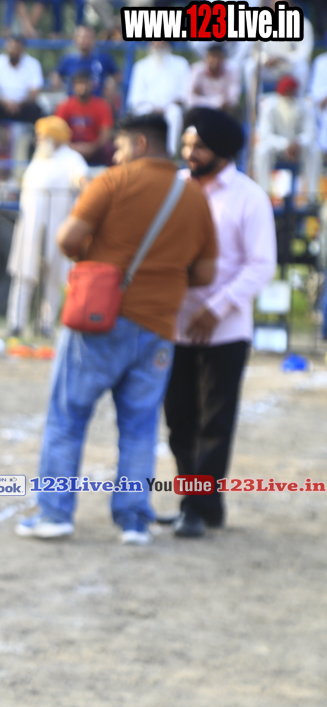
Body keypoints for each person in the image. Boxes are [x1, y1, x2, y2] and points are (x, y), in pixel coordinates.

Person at [16, 114, 217, 546]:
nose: (117, 156)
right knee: (140, 427)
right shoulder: (194, 196)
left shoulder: (112, 181)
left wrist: (100, 257)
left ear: (140, 144)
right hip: (159, 325)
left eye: (121, 148)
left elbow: (68, 239)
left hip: (99, 319)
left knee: (68, 417)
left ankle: (55, 514)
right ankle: (134, 520)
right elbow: (204, 273)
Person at [164, 108, 276, 539]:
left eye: (199, 146)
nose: (189, 153)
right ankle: (199, 503)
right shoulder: (174, 187)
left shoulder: (248, 196)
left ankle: (196, 506)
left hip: (225, 331)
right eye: (186, 144)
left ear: (222, 151)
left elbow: (261, 264)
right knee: (178, 419)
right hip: (174, 325)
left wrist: (216, 308)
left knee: (214, 422)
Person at [5, 116, 89, 338]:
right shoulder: (40, 158)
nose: (39, 140)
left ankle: (46, 324)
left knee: (53, 275)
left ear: (55, 138)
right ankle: (16, 322)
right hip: (30, 226)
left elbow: (83, 182)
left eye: (42, 136)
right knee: (24, 272)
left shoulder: (72, 159)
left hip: (57, 226)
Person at [254, 75, 320, 202]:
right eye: (287, 91)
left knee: (315, 150)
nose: (289, 95)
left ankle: (312, 196)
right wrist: (285, 144)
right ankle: (264, 195)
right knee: (262, 151)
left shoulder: (305, 105)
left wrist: (298, 142)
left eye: (292, 91)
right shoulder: (269, 106)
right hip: (277, 149)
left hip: (299, 149)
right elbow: (266, 135)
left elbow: (311, 133)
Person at [0, 36, 43, 155]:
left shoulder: (33, 64)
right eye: (11, 47)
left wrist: (18, 104)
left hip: (23, 107)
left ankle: (35, 150)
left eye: (16, 48)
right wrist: (5, 102)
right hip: (1, 106)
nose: (13, 51)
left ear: (22, 49)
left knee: (38, 112)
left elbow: (34, 94)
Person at [126, 43, 191, 156]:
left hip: (171, 107)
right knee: (143, 113)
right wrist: (153, 107)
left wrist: (172, 103)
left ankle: (169, 154)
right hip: (147, 107)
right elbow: (135, 97)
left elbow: (185, 93)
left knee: (174, 113)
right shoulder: (141, 66)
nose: (159, 44)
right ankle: (143, 152)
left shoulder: (181, 63)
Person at [54, 70, 115, 166]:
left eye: (85, 83)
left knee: (110, 149)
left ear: (91, 85)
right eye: (79, 83)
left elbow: (106, 135)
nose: (82, 87)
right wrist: (71, 147)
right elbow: (57, 131)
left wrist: (91, 147)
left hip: (95, 148)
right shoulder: (64, 105)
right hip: (70, 147)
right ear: (73, 86)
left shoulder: (102, 106)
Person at [53, 25, 118, 100]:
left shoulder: (103, 58)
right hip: (74, 103)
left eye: (88, 37)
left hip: (97, 102)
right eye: (82, 37)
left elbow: (117, 75)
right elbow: (56, 75)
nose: (85, 40)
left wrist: (111, 82)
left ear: (94, 39)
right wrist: (57, 82)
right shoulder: (68, 60)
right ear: (75, 39)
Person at [186, 43, 241, 113]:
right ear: (206, 58)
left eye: (218, 56)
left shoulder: (233, 69)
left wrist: (201, 99)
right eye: (213, 56)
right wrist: (217, 101)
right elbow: (189, 99)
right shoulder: (197, 69)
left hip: (223, 113)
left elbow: (233, 100)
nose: (215, 60)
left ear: (224, 58)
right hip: (202, 112)